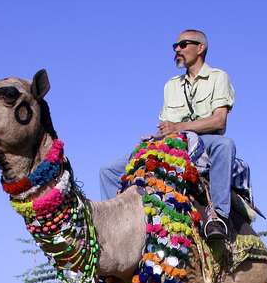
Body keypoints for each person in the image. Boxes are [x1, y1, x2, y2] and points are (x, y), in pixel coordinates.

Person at [99, 28, 236, 240]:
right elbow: (167, 125)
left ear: (200, 48)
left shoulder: (218, 77)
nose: (177, 49)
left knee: (225, 145)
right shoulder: (171, 85)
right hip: (173, 142)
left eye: (183, 45)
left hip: (204, 140)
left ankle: (217, 215)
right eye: (175, 46)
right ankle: (116, 230)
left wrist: (179, 127)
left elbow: (219, 120)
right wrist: (155, 137)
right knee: (108, 171)